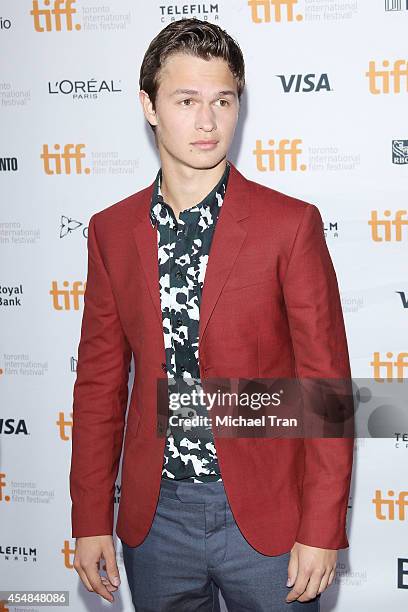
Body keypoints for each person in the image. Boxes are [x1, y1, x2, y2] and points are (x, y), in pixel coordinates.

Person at [69, 17, 354, 612]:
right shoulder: (112, 232)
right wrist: (91, 515)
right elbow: (99, 384)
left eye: (222, 100)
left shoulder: (289, 225)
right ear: (148, 106)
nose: (207, 121)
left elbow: (324, 388)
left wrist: (322, 530)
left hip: (269, 520)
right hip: (156, 521)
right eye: (186, 100)